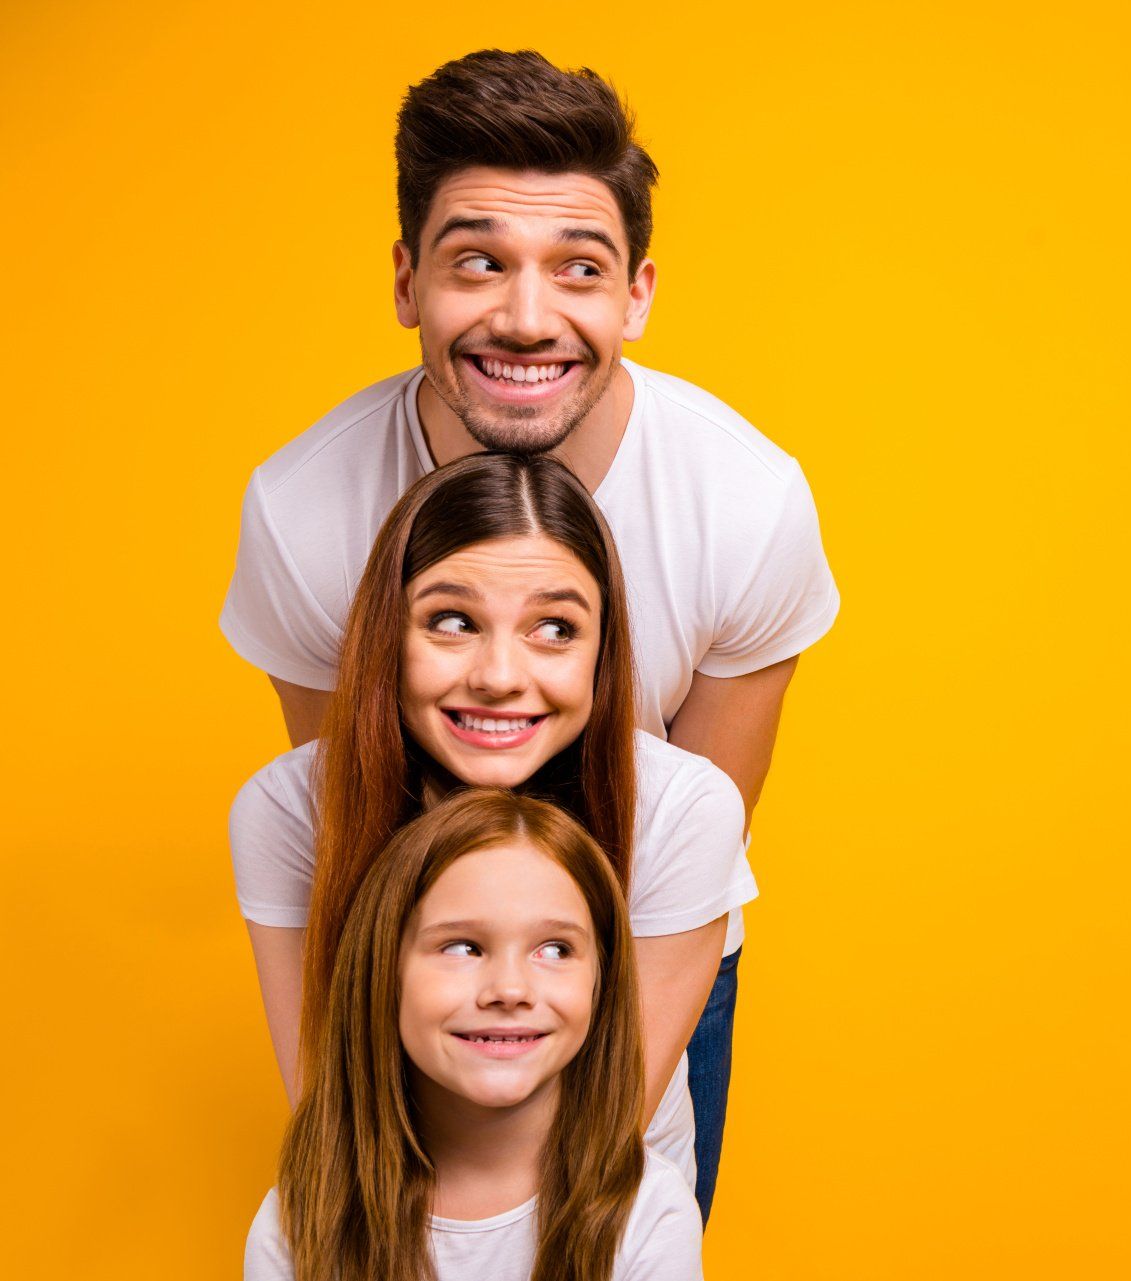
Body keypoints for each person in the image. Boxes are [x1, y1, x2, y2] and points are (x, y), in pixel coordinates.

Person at [221, 49, 837, 1215]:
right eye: (478, 263)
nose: (525, 315)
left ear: (637, 295)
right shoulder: (304, 514)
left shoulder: (747, 504)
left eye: (578, 269)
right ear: (409, 281)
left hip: (642, 923)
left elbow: (688, 833)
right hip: (404, 940)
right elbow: (347, 808)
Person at [233, 452, 751, 1208]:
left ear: (603, 652)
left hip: (603, 1209)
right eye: (452, 620)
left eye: (553, 627)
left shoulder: (682, 808)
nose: (500, 674)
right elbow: (329, 1104)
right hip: (388, 1208)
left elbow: (601, 1131)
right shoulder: (287, 812)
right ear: (388, 634)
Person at [244, 788, 704, 1280]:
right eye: (462, 948)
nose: (509, 989)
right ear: (384, 972)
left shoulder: (649, 1212)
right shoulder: (297, 1220)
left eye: (555, 950)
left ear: (601, 983)